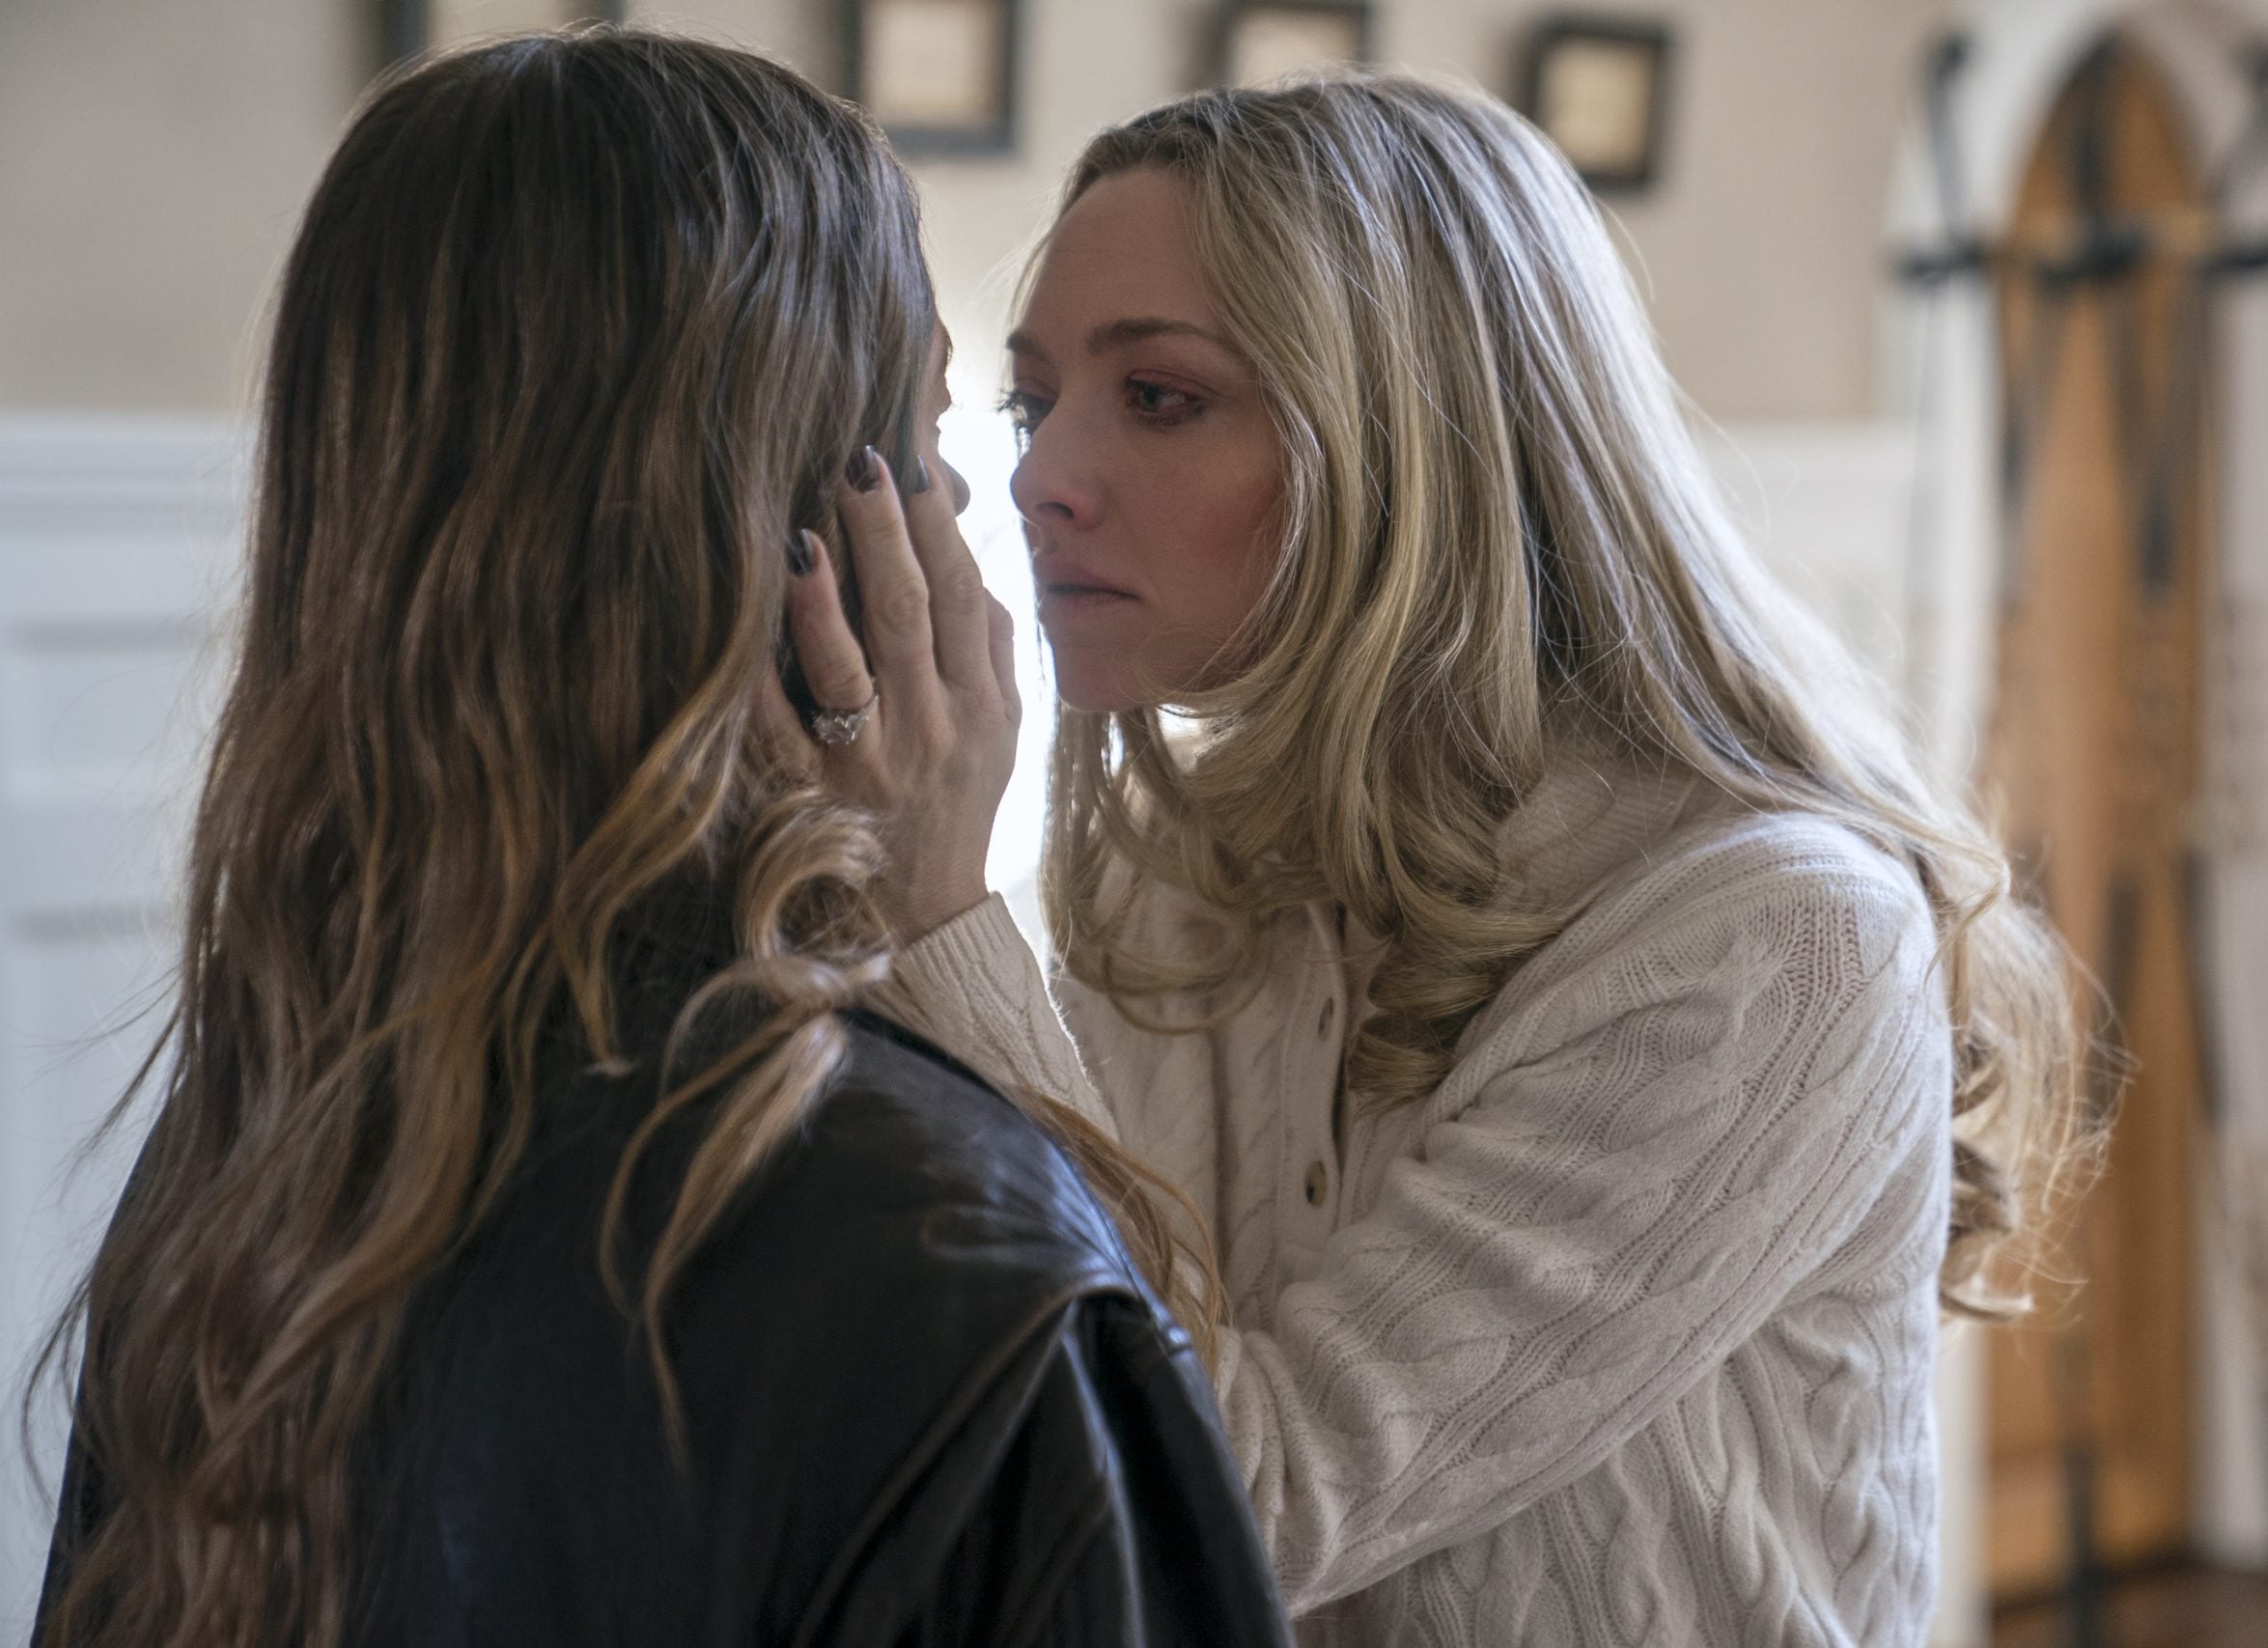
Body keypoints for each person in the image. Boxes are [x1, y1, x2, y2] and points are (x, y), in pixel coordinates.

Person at [29, 30, 1291, 1648]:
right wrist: (938, 922)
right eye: (934, 434)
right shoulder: (942, 1248)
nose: (987, 506)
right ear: (818, 538)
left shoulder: (261, 1145)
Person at [808, 73, 2086, 1645]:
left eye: (1158, 398)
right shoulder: (1181, 874)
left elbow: (1224, 1506)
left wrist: (937, 907)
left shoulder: (1775, 938)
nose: (1038, 477)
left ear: (1409, 441)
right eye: (1033, 402)